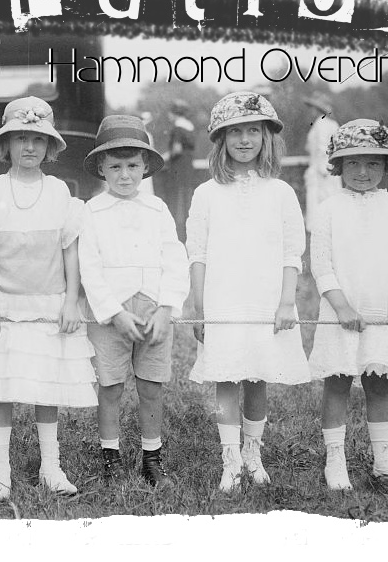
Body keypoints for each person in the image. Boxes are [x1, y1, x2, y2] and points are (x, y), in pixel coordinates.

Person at [0, 96, 96, 501]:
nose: (29, 147)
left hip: (48, 304)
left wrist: (71, 302)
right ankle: (1, 470)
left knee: (45, 383)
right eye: (20, 139)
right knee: (3, 385)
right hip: (4, 305)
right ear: (6, 145)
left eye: (37, 139)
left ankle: (51, 465)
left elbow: (70, 250)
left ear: (49, 146)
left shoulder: (59, 194)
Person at [185, 91, 310, 492]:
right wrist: (199, 305)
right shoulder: (206, 193)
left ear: (265, 136)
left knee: (257, 376)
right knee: (226, 377)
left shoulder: (280, 192)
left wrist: (287, 300)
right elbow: (198, 253)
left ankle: (254, 454)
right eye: (235, 132)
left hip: (265, 298)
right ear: (221, 140)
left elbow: (293, 252)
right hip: (223, 298)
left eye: (252, 131)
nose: (244, 140)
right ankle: (231, 459)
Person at [308, 119, 388, 490]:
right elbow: (321, 266)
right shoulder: (327, 209)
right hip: (342, 314)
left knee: (378, 384)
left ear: (387, 166)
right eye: (353, 163)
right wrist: (342, 308)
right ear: (338, 166)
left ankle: (384, 461)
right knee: (338, 383)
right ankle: (335, 461)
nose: (362, 172)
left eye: (373, 163)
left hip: (384, 316)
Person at [78, 115, 189, 487]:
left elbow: (174, 259)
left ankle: (151, 458)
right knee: (110, 385)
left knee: (151, 386)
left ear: (144, 167)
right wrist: (112, 313)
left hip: (153, 311)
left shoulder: (157, 209)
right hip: (111, 315)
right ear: (101, 169)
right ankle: (110, 457)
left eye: (132, 166)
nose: (124, 175)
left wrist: (167, 308)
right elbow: (89, 267)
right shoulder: (91, 212)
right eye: (115, 166)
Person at [302, 96, 341, 232]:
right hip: (325, 167)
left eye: (312, 108)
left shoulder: (322, 123)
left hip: (322, 169)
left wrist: (323, 169)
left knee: (321, 199)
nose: (311, 111)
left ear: (318, 109)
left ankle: (321, 229)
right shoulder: (330, 123)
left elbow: (322, 147)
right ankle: (326, 228)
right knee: (326, 198)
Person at [161, 101, 196, 239]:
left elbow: (176, 149)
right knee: (186, 200)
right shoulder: (190, 127)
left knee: (176, 201)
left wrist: (161, 158)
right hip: (188, 167)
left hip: (178, 168)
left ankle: (176, 235)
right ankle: (186, 234)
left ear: (174, 113)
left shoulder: (177, 128)